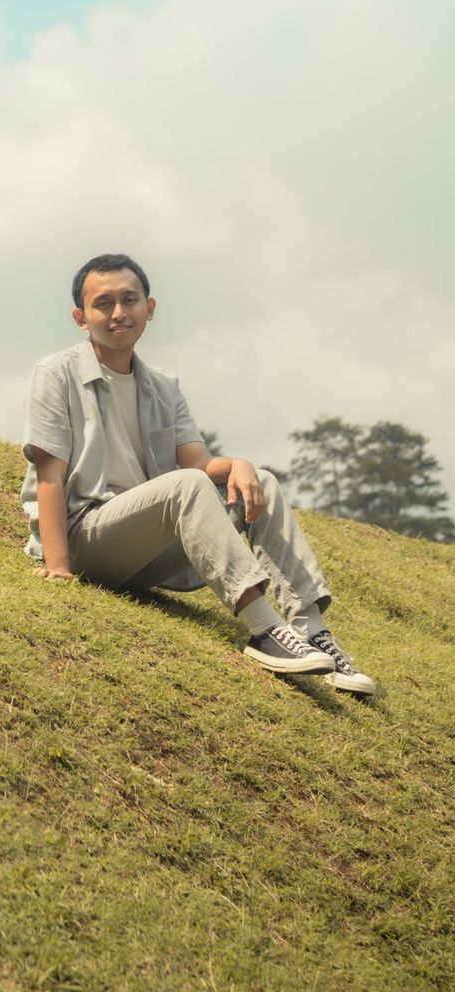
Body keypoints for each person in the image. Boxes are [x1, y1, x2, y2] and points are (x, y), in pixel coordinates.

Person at [22, 252, 375, 694]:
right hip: (86, 540)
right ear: (81, 317)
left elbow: (198, 465)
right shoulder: (55, 374)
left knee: (261, 481)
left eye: (129, 300)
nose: (118, 313)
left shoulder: (164, 386)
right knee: (188, 487)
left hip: (144, 552)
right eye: (103, 303)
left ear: (149, 308)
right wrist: (59, 567)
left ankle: (312, 632)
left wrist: (240, 465)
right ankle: (265, 630)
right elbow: (49, 476)